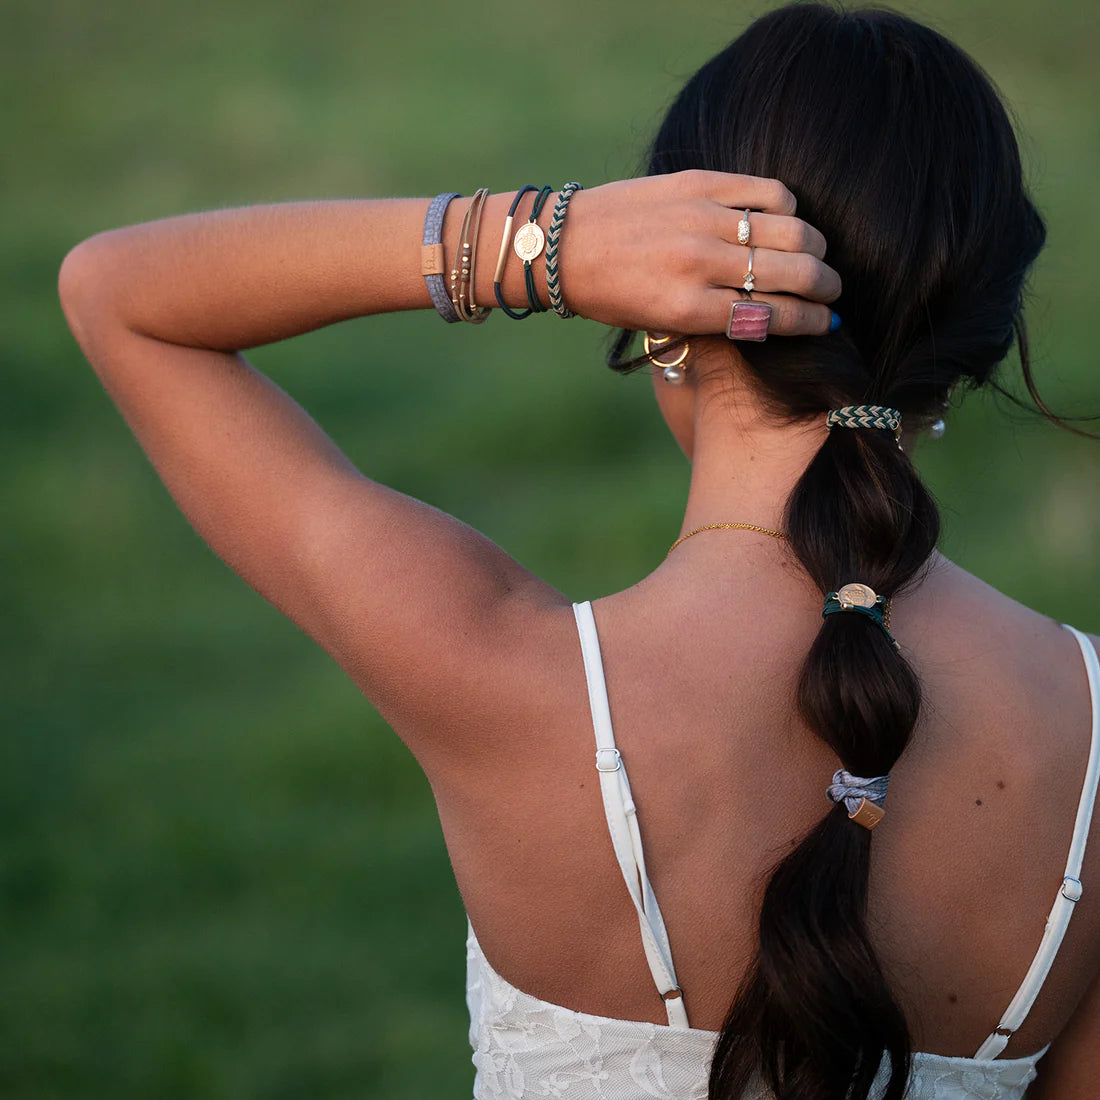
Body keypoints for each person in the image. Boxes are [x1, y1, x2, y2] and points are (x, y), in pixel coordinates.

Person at [58, 4, 1098, 1098]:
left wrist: (535, 243)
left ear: (658, 319)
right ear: (972, 348)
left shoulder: (497, 669)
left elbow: (116, 295)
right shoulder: (1083, 735)